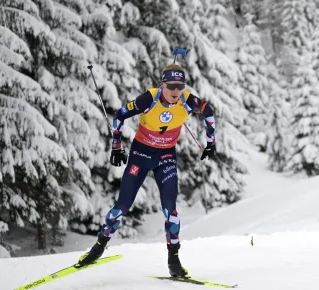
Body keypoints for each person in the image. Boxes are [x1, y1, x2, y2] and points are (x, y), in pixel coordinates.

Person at [78, 64, 216, 277]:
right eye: (171, 86)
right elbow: (120, 115)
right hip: (140, 155)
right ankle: (98, 247)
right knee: (122, 205)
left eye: (180, 86)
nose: (176, 91)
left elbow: (209, 112)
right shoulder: (149, 98)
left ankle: (174, 261)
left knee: (171, 208)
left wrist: (211, 143)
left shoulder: (187, 100)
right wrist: (116, 146)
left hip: (166, 157)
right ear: (163, 84)